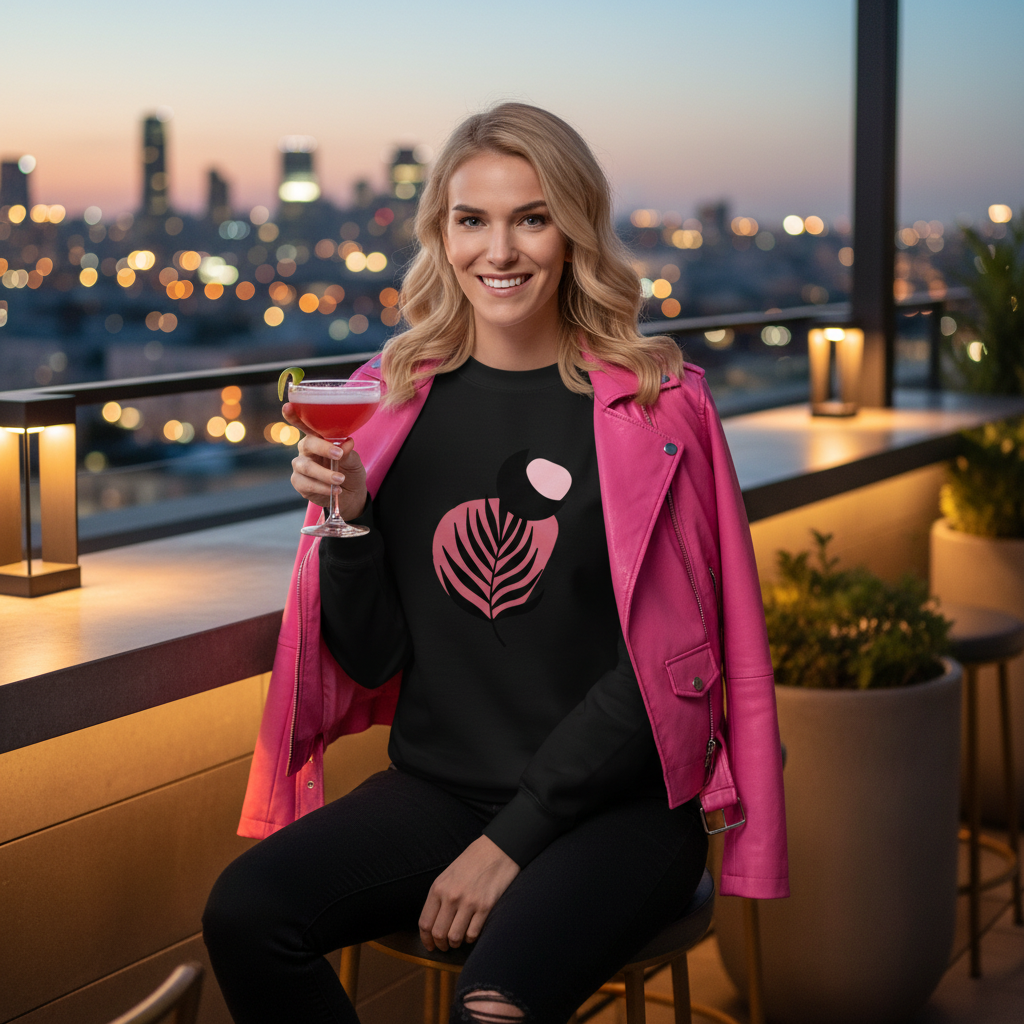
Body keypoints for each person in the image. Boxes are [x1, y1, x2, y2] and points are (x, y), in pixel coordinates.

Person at [203, 102, 788, 1024]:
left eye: (532, 216)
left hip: (622, 808)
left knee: (494, 1006)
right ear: (441, 233)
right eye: (472, 219)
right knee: (244, 913)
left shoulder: (658, 412)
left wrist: (511, 841)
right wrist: (345, 522)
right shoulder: (384, 406)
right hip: (441, 787)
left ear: (574, 232)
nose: (499, 250)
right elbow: (371, 660)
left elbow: (665, 671)